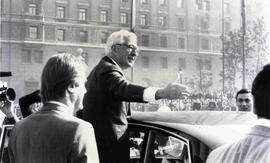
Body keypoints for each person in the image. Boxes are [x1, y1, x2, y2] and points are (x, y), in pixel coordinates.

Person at [82, 30, 189, 163]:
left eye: (137, 49)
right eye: (131, 47)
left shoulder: (102, 69)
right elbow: (124, 89)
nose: (135, 53)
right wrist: (160, 93)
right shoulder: (108, 70)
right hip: (109, 151)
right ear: (115, 48)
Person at [8, 53, 99, 163]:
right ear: (71, 86)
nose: (86, 90)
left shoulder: (18, 129)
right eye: (83, 84)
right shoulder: (81, 129)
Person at [206, 64, 270, 163]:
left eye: (247, 100)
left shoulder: (215, 156)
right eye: (240, 101)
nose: (243, 104)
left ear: (253, 102)